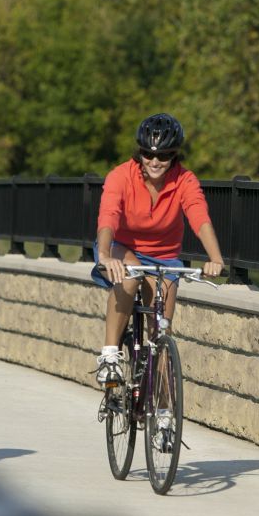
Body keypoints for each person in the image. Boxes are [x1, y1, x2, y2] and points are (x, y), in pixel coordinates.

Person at [92, 113, 225, 385]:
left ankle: (163, 410)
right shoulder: (121, 176)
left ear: (174, 155)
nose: (155, 162)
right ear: (139, 153)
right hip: (122, 247)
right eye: (148, 154)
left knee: (161, 333)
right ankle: (109, 356)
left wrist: (215, 258)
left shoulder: (184, 180)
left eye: (163, 156)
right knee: (129, 276)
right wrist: (104, 255)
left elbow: (199, 217)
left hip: (164, 257)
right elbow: (108, 216)